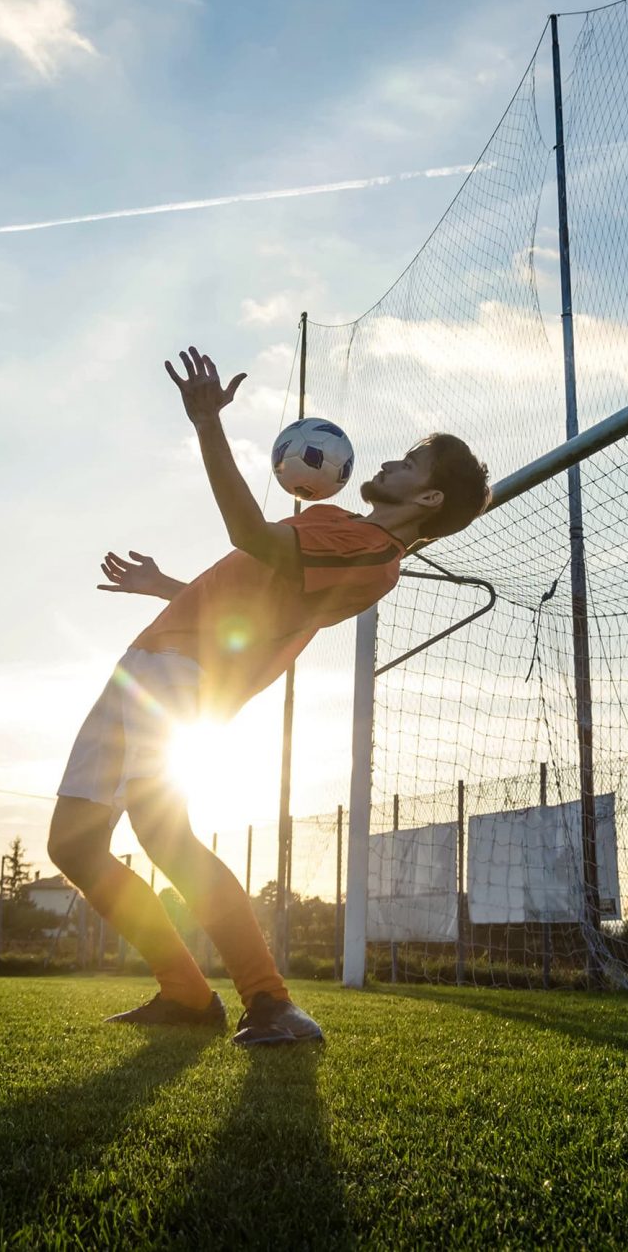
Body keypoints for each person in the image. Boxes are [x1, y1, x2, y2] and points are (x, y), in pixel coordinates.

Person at [46, 344, 491, 1046]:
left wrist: (206, 423)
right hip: (152, 660)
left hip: (181, 676)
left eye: (408, 464)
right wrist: (166, 586)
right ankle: (187, 995)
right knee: (72, 845)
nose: (389, 464)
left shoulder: (369, 552)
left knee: (163, 832)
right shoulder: (345, 532)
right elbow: (248, 596)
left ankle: (270, 1001)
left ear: (428, 498)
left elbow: (247, 534)